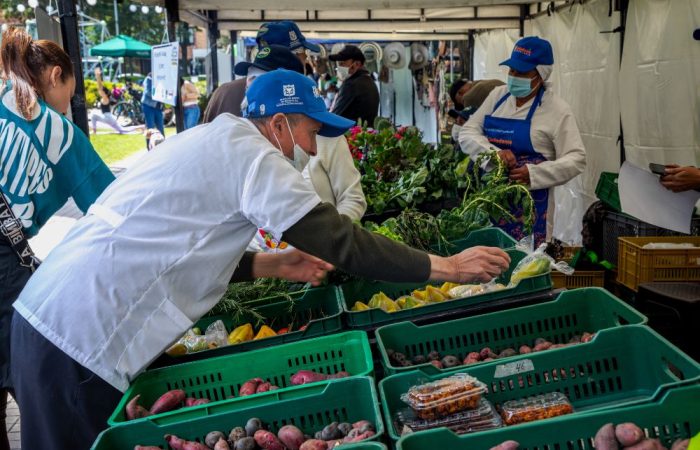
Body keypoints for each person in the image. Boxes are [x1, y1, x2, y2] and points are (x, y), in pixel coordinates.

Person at [11, 69, 510, 447]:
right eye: (312, 132)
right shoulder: (252, 155)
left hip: (55, 317)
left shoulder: (214, 140)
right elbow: (342, 241)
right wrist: (448, 267)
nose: (314, 150)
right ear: (278, 124)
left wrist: (274, 263)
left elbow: (189, 242)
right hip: (79, 338)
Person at [0, 28, 115, 450]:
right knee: (37, 373)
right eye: (71, 91)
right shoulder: (54, 128)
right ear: (53, 76)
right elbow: (112, 207)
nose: (71, 104)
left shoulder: (3, 102)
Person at [206, 45, 366, 251]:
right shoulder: (244, 149)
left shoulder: (325, 135)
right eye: (250, 82)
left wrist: (327, 242)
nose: (250, 90)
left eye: (260, 80)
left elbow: (352, 198)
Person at [459, 36, 586, 247]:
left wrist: (534, 173)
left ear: (540, 74)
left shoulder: (557, 110)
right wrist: (493, 154)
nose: (514, 76)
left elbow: (577, 158)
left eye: (522, 72)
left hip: (532, 209)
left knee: (524, 262)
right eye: (512, 71)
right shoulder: (498, 96)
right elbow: (468, 132)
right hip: (490, 201)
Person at [202, 21, 319, 121]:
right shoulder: (297, 98)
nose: (306, 62)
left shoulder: (223, 92)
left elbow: (205, 139)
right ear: (295, 57)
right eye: (305, 56)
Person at [330, 45, 380, 126]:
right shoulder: (369, 81)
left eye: (342, 63)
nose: (339, 68)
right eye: (339, 64)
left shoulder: (351, 85)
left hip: (351, 136)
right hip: (364, 135)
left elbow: (335, 117)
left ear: (357, 64)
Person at [90, 67, 144, 135]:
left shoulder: (105, 98)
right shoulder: (105, 98)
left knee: (93, 116)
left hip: (108, 118)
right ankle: (141, 127)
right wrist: (99, 77)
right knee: (122, 130)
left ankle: (94, 131)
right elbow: (101, 88)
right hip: (108, 118)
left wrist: (98, 76)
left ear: (105, 93)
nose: (100, 92)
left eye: (102, 92)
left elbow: (100, 88)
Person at [141, 72, 164, 137]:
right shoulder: (149, 79)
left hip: (158, 107)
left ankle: (163, 144)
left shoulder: (162, 79)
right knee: (150, 128)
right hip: (148, 106)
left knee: (160, 127)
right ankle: (150, 146)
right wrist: (160, 95)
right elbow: (148, 92)